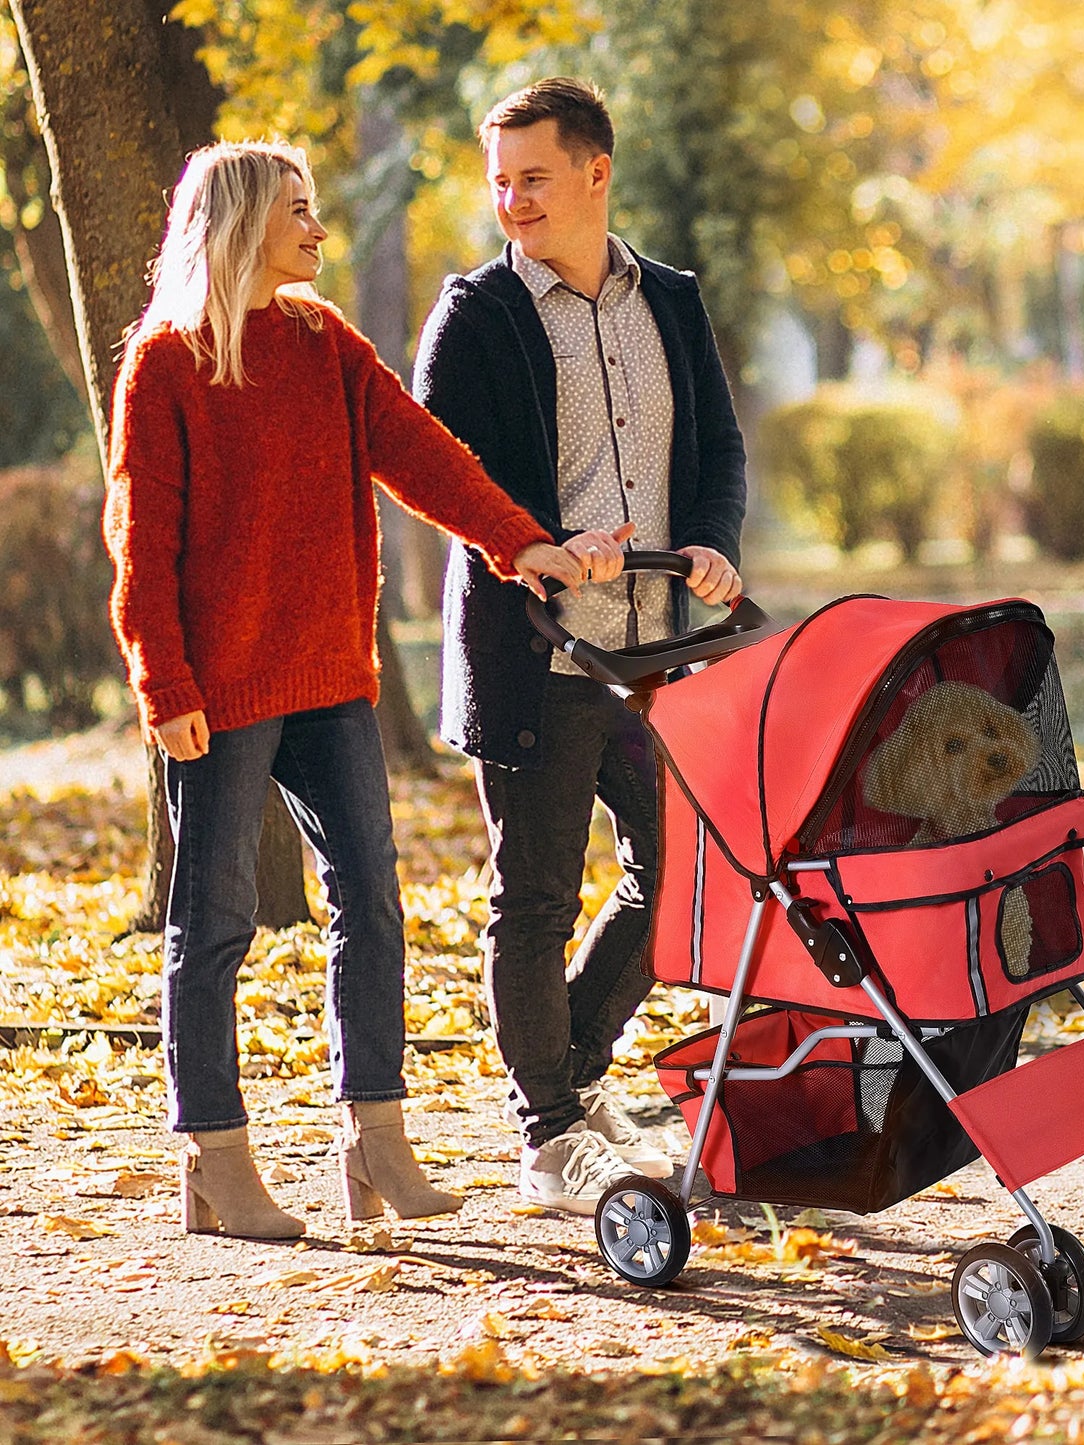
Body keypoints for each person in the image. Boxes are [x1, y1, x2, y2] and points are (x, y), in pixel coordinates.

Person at [103, 140, 585, 1241]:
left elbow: (424, 455)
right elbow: (143, 543)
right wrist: (163, 679)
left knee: (371, 902)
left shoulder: (325, 342)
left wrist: (522, 544)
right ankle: (214, 1159)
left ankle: (376, 1142)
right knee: (212, 919)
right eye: (298, 212)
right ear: (237, 227)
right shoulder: (168, 364)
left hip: (329, 678)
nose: (318, 230)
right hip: (217, 691)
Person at [413, 78, 747, 1214]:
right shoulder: (477, 314)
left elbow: (717, 448)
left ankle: (574, 1075)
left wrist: (709, 540)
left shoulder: (673, 301)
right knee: (536, 898)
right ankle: (548, 1130)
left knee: (681, 874)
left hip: (653, 652)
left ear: (596, 172)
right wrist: (540, 545)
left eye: (533, 178)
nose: (510, 200)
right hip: (537, 654)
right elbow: (441, 477)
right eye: (498, 180)